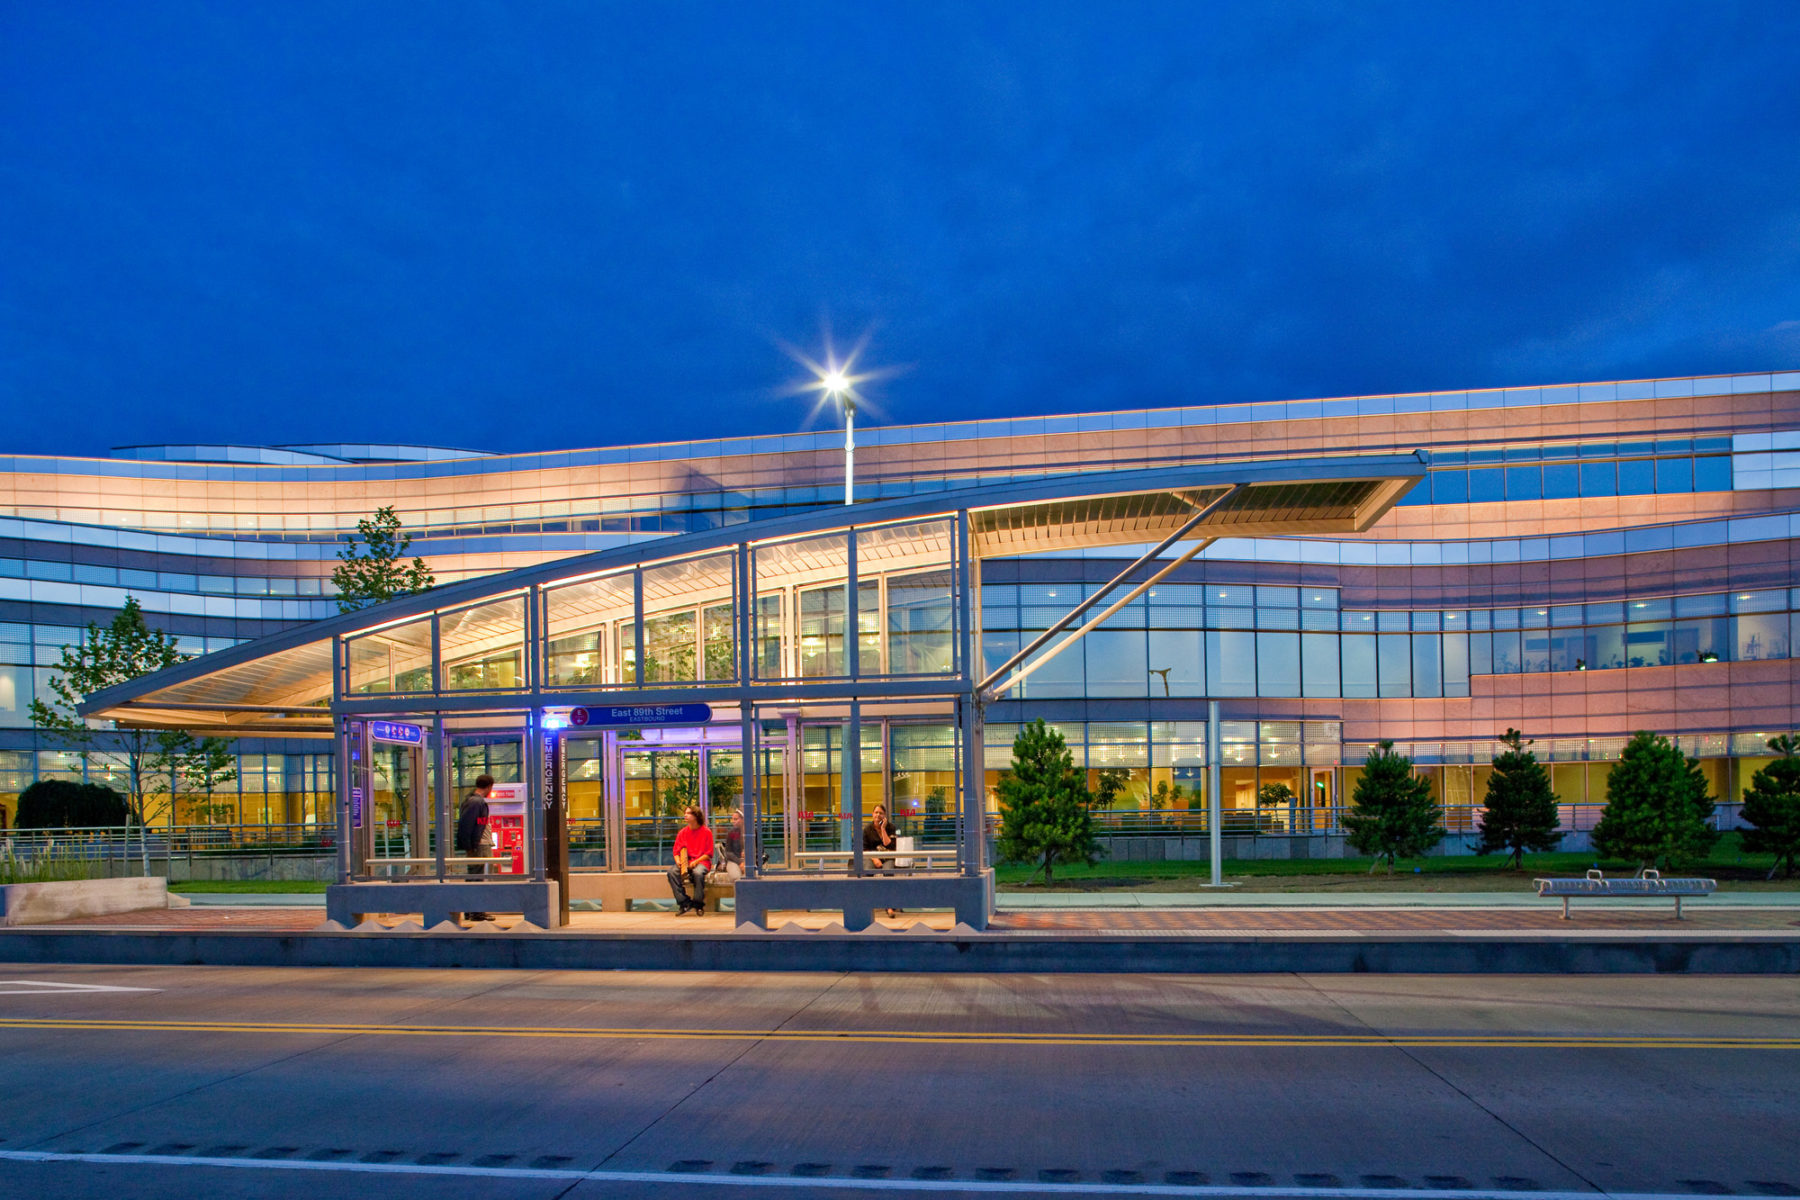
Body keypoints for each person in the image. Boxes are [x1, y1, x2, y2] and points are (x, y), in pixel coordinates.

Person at [455, 774, 495, 922]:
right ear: (490, 786)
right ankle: (477, 912)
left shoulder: (473, 801)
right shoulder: (476, 802)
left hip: (479, 844)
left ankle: (472, 910)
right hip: (480, 846)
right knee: (479, 878)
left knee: (475, 877)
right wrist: (470, 846)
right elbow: (467, 825)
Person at [667, 806, 714, 915]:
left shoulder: (706, 832)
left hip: (702, 862)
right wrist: (678, 861)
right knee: (671, 873)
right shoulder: (682, 833)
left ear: (696, 816)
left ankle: (698, 904)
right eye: (685, 813)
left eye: (689, 813)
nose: (685, 815)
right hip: (685, 862)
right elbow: (676, 851)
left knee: (698, 873)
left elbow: (708, 854)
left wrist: (696, 862)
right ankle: (684, 902)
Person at [863, 803, 902, 918]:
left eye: (881, 813)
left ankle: (889, 906)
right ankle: (867, 904)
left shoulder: (891, 827)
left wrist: (883, 829)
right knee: (868, 870)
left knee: (888, 871)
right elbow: (864, 849)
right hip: (872, 856)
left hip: (887, 857)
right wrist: (875, 859)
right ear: (872, 814)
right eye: (876, 812)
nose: (878, 815)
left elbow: (888, 844)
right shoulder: (867, 829)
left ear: (884, 815)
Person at [718, 808, 746, 882]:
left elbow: (759, 849)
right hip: (733, 861)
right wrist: (740, 863)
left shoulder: (753, 832)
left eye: (736, 819)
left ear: (743, 819)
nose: (733, 821)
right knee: (736, 877)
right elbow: (728, 853)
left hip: (749, 861)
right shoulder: (731, 833)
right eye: (733, 819)